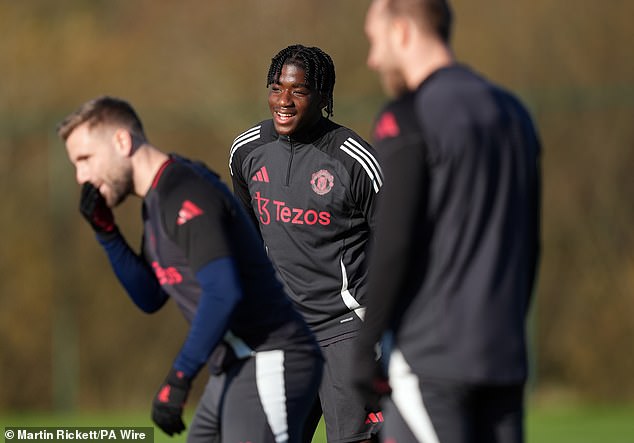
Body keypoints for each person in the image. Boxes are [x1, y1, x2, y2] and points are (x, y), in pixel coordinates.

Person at [57, 96, 323, 443]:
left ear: (122, 141)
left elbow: (222, 292)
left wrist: (179, 377)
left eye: (85, 159)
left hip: (270, 358)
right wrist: (107, 233)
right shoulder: (154, 204)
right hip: (236, 365)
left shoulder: (184, 192)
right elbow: (151, 296)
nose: (81, 176)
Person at [354, 1, 542, 442]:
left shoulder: (407, 116)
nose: (372, 59)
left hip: (430, 363)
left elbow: (393, 243)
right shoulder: (514, 113)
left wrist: (365, 349)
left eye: (374, 41)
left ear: (401, 32)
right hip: (504, 360)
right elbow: (530, 246)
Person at [229, 44, 384, 443]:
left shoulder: (355, 161)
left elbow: (398, 247)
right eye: (276, 87)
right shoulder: (246, 152)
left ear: (323, 97)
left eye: (298, 91)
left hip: (345, 330)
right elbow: (248, 239)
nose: (284, 100)